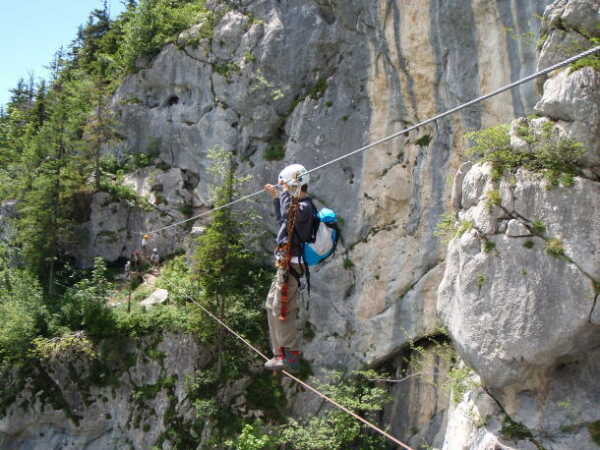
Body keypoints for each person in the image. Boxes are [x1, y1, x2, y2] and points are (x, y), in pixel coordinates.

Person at [263, 164, 316, 371]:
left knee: (282, 309)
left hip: (291, 268)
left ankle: (290, 356)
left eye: (286, 185)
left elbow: (288, 212)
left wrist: (284, 191)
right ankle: (279, 353)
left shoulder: (304, 207)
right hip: (284, 266)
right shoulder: (295, 207)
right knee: (271, 306)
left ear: (294, 184)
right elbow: (282, 220)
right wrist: (277, 197)